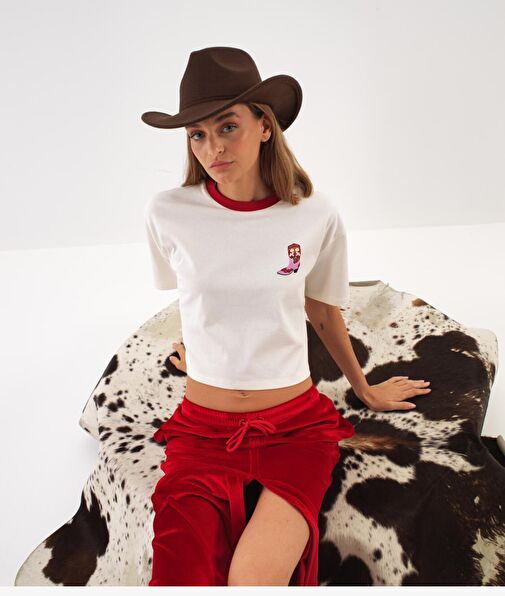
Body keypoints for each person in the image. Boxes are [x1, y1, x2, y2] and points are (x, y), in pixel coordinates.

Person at [141, 47, 431, 587]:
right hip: (202, 431)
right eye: (197, 134)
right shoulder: (168, 212)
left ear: (265, 125)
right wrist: (197, 351)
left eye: (227, 126)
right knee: (179, 580)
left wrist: (364, 388)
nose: (212, 147)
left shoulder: (314, 213)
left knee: (253, 581)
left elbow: (321, 310)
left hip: (294, 428)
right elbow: (195, 297)